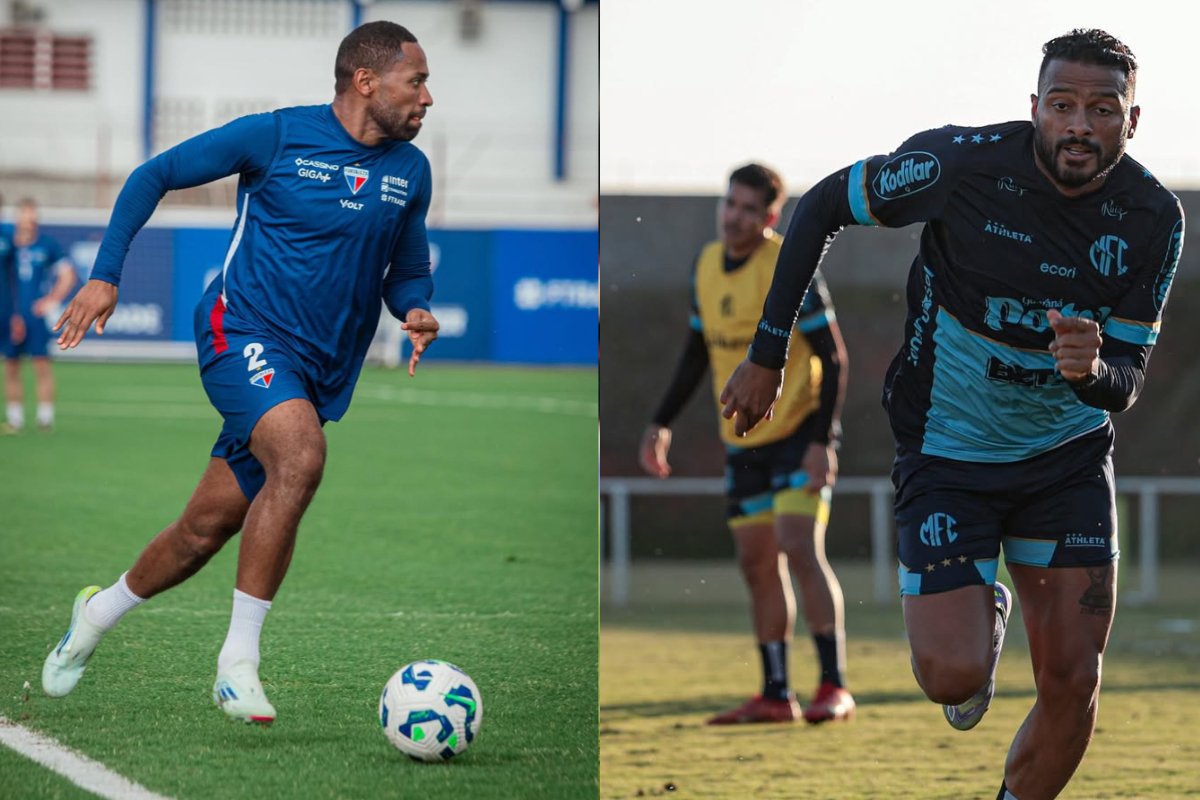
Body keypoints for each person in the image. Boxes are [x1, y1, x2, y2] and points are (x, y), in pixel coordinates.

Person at [718, 29, 1183, 799]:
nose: (1078, 125)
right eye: (1062, 105)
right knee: (950, 676)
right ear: (1034, 109)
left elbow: (1125, 380)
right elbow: (822, 205)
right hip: (947, 452)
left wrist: (1090, 369)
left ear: (1131, 122)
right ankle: (982, 619)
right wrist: (768, 354)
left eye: (1103, 109)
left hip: (1065, 459)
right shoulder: (960, 166)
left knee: (1073, 682)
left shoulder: (1152, 219)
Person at [41, 20, 440, 725]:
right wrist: (106, 276)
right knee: (302, 456)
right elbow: (152, 175)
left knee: (202, 530)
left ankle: (96, 616)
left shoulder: (411, 171)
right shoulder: (276, 137)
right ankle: (237, 664)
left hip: (318, 373)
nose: (428, 98)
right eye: (417, 81)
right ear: (366, 81)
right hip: (241, 331)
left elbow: (405, 270)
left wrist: (416, 311)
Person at [639, 163, 854, 725]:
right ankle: (776, 693)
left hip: (799, 434)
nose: (733, 217)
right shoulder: (706, 266)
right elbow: (696, 351)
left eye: (747, 210)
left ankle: (834, 685)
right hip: (743, 443)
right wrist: (661, 421)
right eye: (729, 204)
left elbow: (832, 357)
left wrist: (822, 442)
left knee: (799, 545)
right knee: (756, 563)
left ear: (770, 218)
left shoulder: (788, 264)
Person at [3, 199, 76, 434]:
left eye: (33, 214)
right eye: (25, 214)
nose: (29, 219)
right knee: (11, 366)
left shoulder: (47, 245)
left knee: (41, 365)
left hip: (35, 317)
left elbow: (68, 274)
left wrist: (51, 300)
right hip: (12, 315)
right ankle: (15, 419)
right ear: (18, 218)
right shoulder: (7, 245)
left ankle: (45, 419)